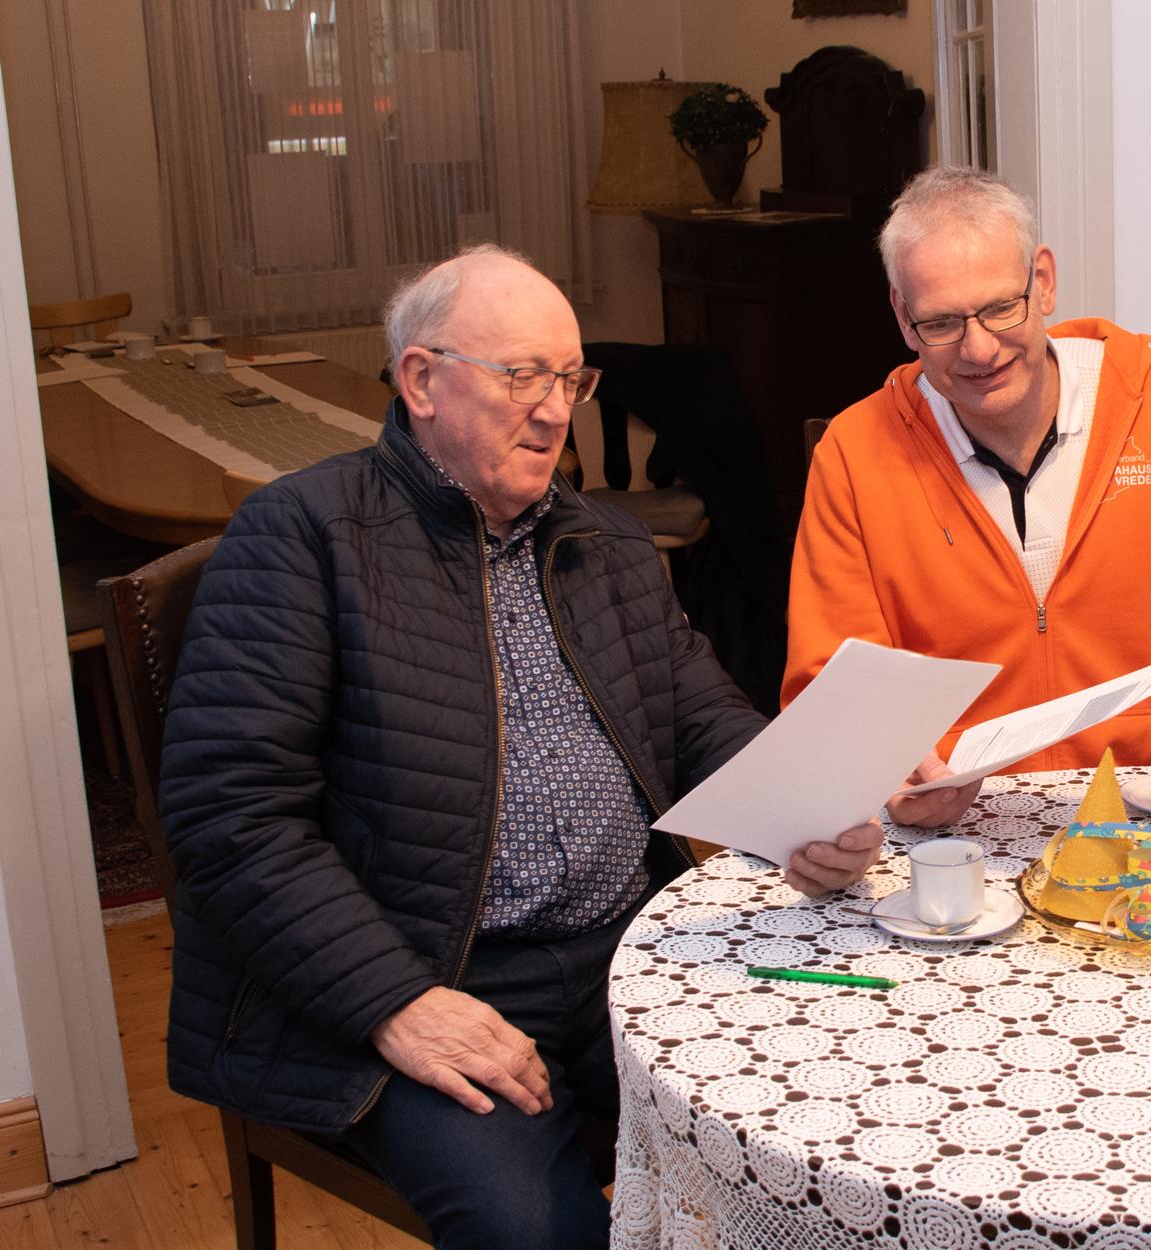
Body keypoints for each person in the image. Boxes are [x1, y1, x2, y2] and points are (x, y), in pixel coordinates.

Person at [159, 245, 931, 1249]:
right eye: (524, 374)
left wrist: (807, 808)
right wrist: (394, 998)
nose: (556, 407)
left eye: (571, 377)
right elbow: (229, 818)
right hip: (434, 972)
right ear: (421, 381)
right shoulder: (303, 537)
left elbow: (702, 716)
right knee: (537, 1229)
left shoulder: (601, 541)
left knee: (843, 1119)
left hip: (631, 948)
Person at [788, 167, 1151, 787]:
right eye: (941, 324)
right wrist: (892, 778)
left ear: (1042, 282)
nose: (979, 350)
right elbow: (836, 684)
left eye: (999, 309)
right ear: (903, 315)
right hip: (957, 827)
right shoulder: (855, 452)